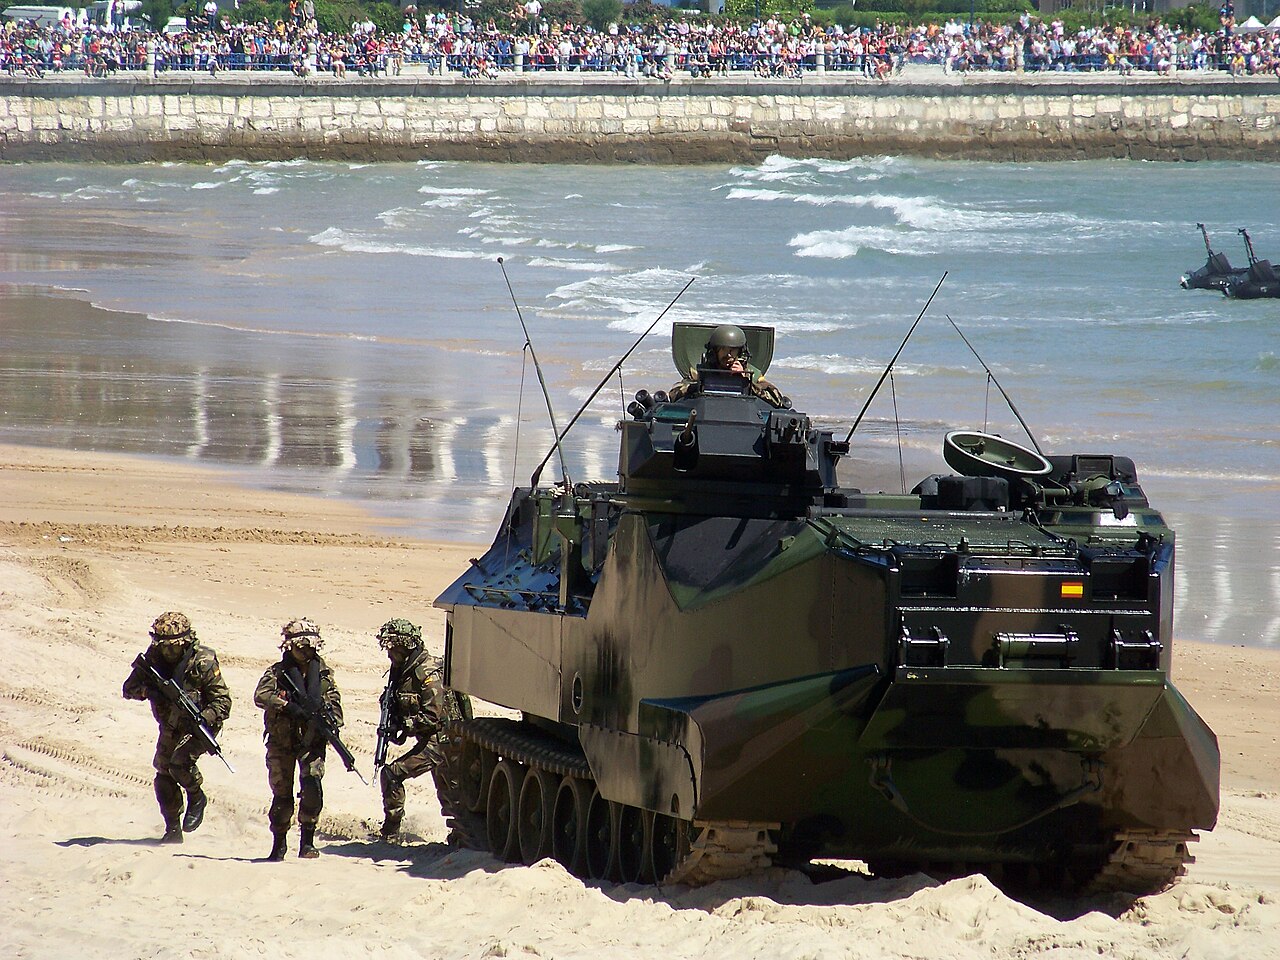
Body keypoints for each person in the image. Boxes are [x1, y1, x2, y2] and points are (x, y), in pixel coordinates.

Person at [122, 612, 232, 844]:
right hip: (170, 725)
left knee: (180, 763)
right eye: (165, 647)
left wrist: (203, 717)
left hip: (201, 724)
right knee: (163, 774)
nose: (168, 652)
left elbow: (222, 702)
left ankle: (196, 796)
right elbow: (128, 689)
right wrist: (150, 691)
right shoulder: (153, 660)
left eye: (174, 647)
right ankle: (172, 829)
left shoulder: (203, 660)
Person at [253, 617, 344, 861]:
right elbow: (261, 696)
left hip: (311, 741)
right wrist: (288, 706)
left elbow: (335, 702)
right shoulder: (278, 672)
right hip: (281, 741)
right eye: (301, 647)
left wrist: (330, 720)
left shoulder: (322, 674)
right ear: (289, 647)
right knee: (282, 795)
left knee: (312, 787)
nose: (307, 652)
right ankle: (279, 843)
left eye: (311, 647)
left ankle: (307, 842)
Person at [375, 618, 471, 842]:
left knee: (393, 774)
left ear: (405, 647)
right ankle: (462, 837)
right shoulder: (403, 673)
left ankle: (391, 831)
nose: (390, 654)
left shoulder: (427, 672)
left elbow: (432, 717)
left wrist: (405, 726)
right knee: (449, 794)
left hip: (444, 742)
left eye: (393, 649)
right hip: (434, 740)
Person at [669, 323, 786, 407]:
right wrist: (700, 385)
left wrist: (747, 381)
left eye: (733, 350)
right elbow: (674, 395)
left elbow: (777, 400)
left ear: (740, 351)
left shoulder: (751, 373)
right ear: (715, 351)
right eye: (723, 349)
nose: (728, 354)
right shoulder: (702, 371)